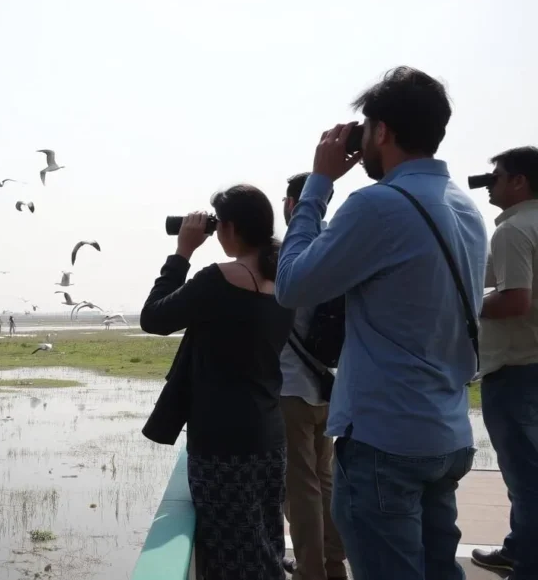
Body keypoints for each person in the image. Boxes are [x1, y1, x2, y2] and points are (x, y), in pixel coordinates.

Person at [275, 66, 487, 580]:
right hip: (446, 433)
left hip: (385, 441)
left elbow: (292, 285)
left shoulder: (377, 206)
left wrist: (319, 184)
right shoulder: (466, 207)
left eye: (365, 129)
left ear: (382, 132)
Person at [140, 185, 295, 580]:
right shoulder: (284, 280)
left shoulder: (219, 280)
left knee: (229, 556)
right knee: (265, 545)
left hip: (222, 445)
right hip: (269, 437)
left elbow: (154, 319)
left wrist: (183, 252)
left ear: (226, 227)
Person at [471, 145, 538, 580]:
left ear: (518, 181)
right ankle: (517, 547)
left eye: (495, 176)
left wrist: (468, 303)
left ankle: (527, 567)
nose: (488, 184)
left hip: (515, 370)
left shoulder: (512, 230)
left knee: (525, 479)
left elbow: (515, 301)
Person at [278, 172, 347, 580]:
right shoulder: (338, 246)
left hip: (291, 388)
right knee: (325, 482)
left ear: (294, 203)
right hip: (328, 386)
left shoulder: (291, 249)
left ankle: (310, 571)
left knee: (300, 487)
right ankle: (333, 567)